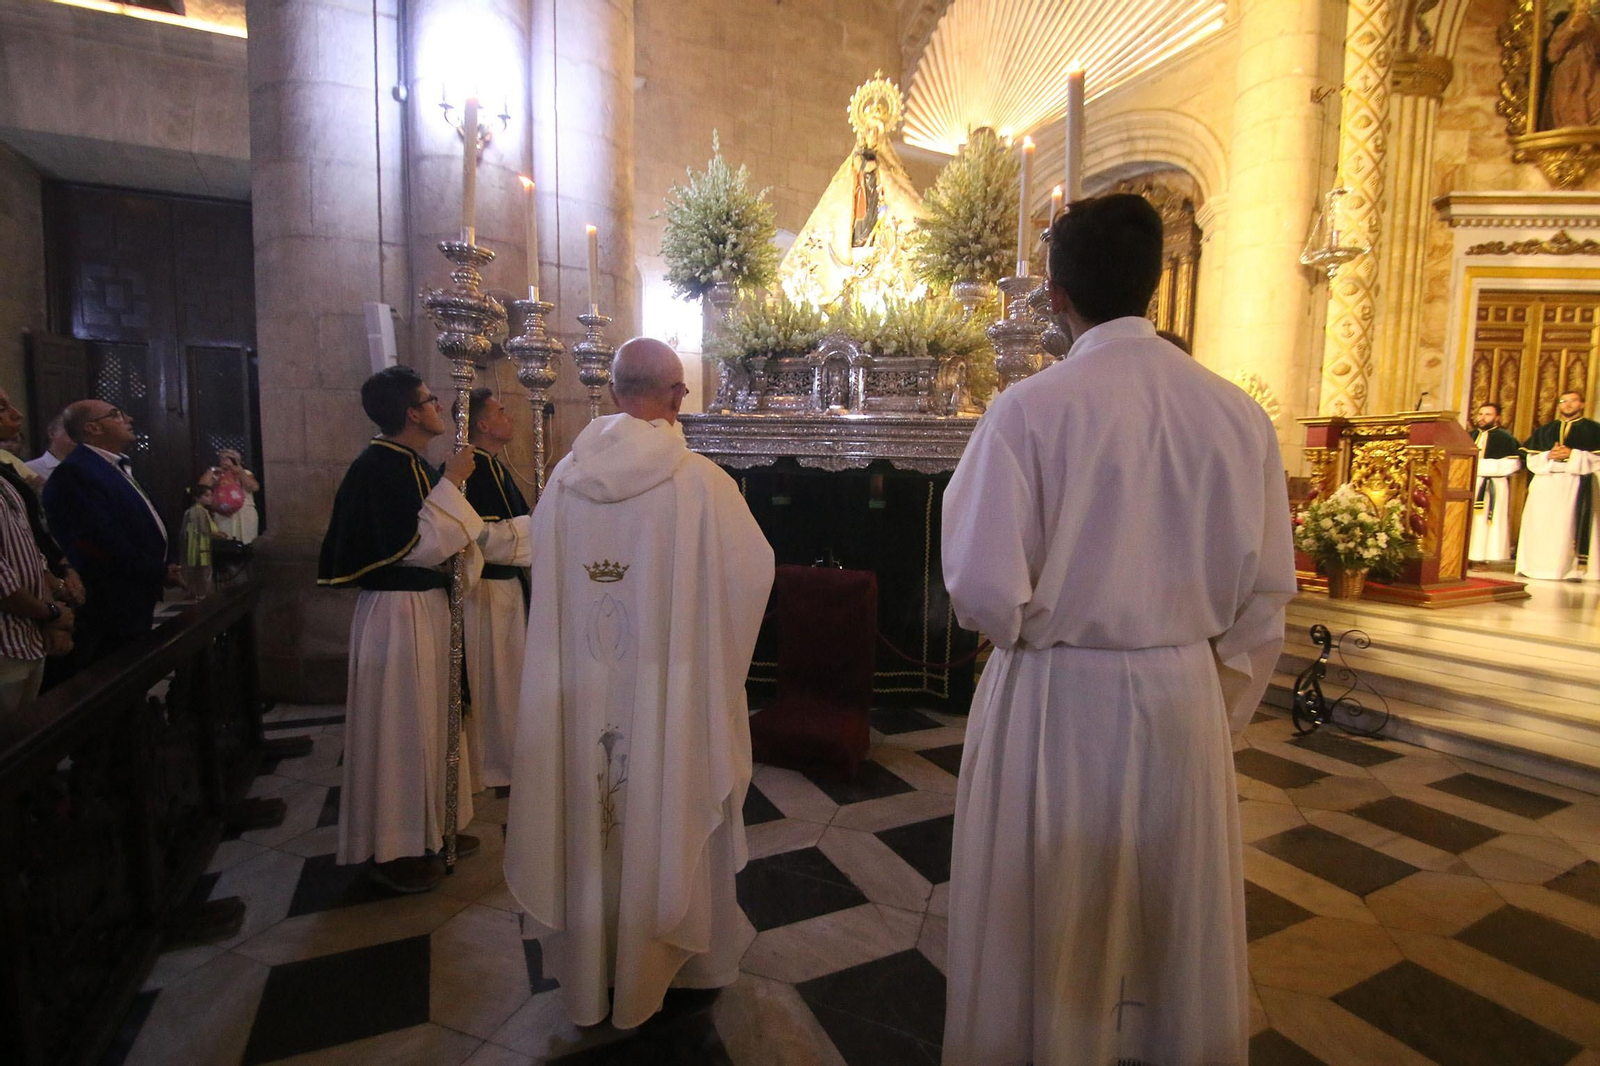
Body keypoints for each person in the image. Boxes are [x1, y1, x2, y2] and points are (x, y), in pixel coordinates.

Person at [939, 194, 1297, 1066]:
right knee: (1167, 924)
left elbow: (983, 583)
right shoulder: (1238, 415)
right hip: (1181, 696)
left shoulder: (1026, 411)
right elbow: (1265, 599)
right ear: (1157, 285)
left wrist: (1017, 628)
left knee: (1047, 913)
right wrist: (1218, 706)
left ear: (1054, 296)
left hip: (1055, 693)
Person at [503, 338, 774, 1030]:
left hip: (581, 690)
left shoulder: (563, 478)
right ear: (675, 395)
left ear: (616, 389)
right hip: (669, 698)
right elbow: (753, 576)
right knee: (664, 801)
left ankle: (593, 968)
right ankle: (683, 963)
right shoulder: (702, 484)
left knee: (586, 807)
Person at [318, 366, 490, 894]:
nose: (440, 406)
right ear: (412, 412)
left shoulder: (407, 464)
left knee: (432, 721)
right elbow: (420, 545)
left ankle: (432, 827)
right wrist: (454, 481)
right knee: (401, 727)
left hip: (423, 609)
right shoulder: (379, 467)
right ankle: (395, 846)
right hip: (397, 614)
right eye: (430, 399)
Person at [43, 400, 172, 665]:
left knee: (133, 667)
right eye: (116, 414)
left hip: (133, 592)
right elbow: (101, 539)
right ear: (93, 428)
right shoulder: (77, 472)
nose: (129, 419)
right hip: (109, 600)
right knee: (112, 671)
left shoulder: (110, 467)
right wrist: (157, 571)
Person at [452, 387, 531, 792]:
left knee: (508, 677)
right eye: (501, 411)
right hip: (486, 594)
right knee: (492, 680)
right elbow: (480, 537)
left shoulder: (494, 466)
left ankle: (508, 756)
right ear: (482, 423)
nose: (510, 417)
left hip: (507, 592)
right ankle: (490, 763)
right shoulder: (475, 469)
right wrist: (537, 528)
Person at [0, 389, 74, 710]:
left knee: (29, 742)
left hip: (26, 637)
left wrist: (50, 607)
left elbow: (30, 549)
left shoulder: (5, 479)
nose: (17, 414)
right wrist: (52, 612)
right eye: (1, 407)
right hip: (4, 643)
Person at [1516, 389, 1600, 581]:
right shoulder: (1545, 430)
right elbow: (1531, 458)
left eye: (1573, 401)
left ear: (1582, 404)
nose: (1567, 405)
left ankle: (1573, 570)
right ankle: (1537, 567)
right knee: (1540, 526)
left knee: (1568, 528)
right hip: (1546, 484)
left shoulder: (1594, 430)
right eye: (1563, 401)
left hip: (1576, 483)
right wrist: (1548, 455)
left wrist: (1573, 455)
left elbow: (1597, 459)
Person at [1469, 402, 1522, 565]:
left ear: (1497, 418)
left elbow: (1512, 464)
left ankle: (1484, 559)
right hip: (1469, 484)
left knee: (1488, 523)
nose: (1482, 418)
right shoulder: (1468, 436)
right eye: (1480, 414)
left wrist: (1479, 466)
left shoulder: (1506, 439)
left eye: (1488, 414)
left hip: (1493, 486)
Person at [198, 448, 261, 544]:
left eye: (228, 458)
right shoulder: (216, 474)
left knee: (247, 544)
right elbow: (202, 486)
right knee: (226, 543)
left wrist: (240, 472)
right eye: (222, 458)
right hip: (223, 515)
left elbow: (253, 487)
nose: (224, 460)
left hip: (244, 515)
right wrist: (212, 471)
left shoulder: (245, 473)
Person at [26, 413, 73, 484]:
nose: (78, 437)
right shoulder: (29, 469)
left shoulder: (87, 467)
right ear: (52, 433)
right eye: (71, 432)